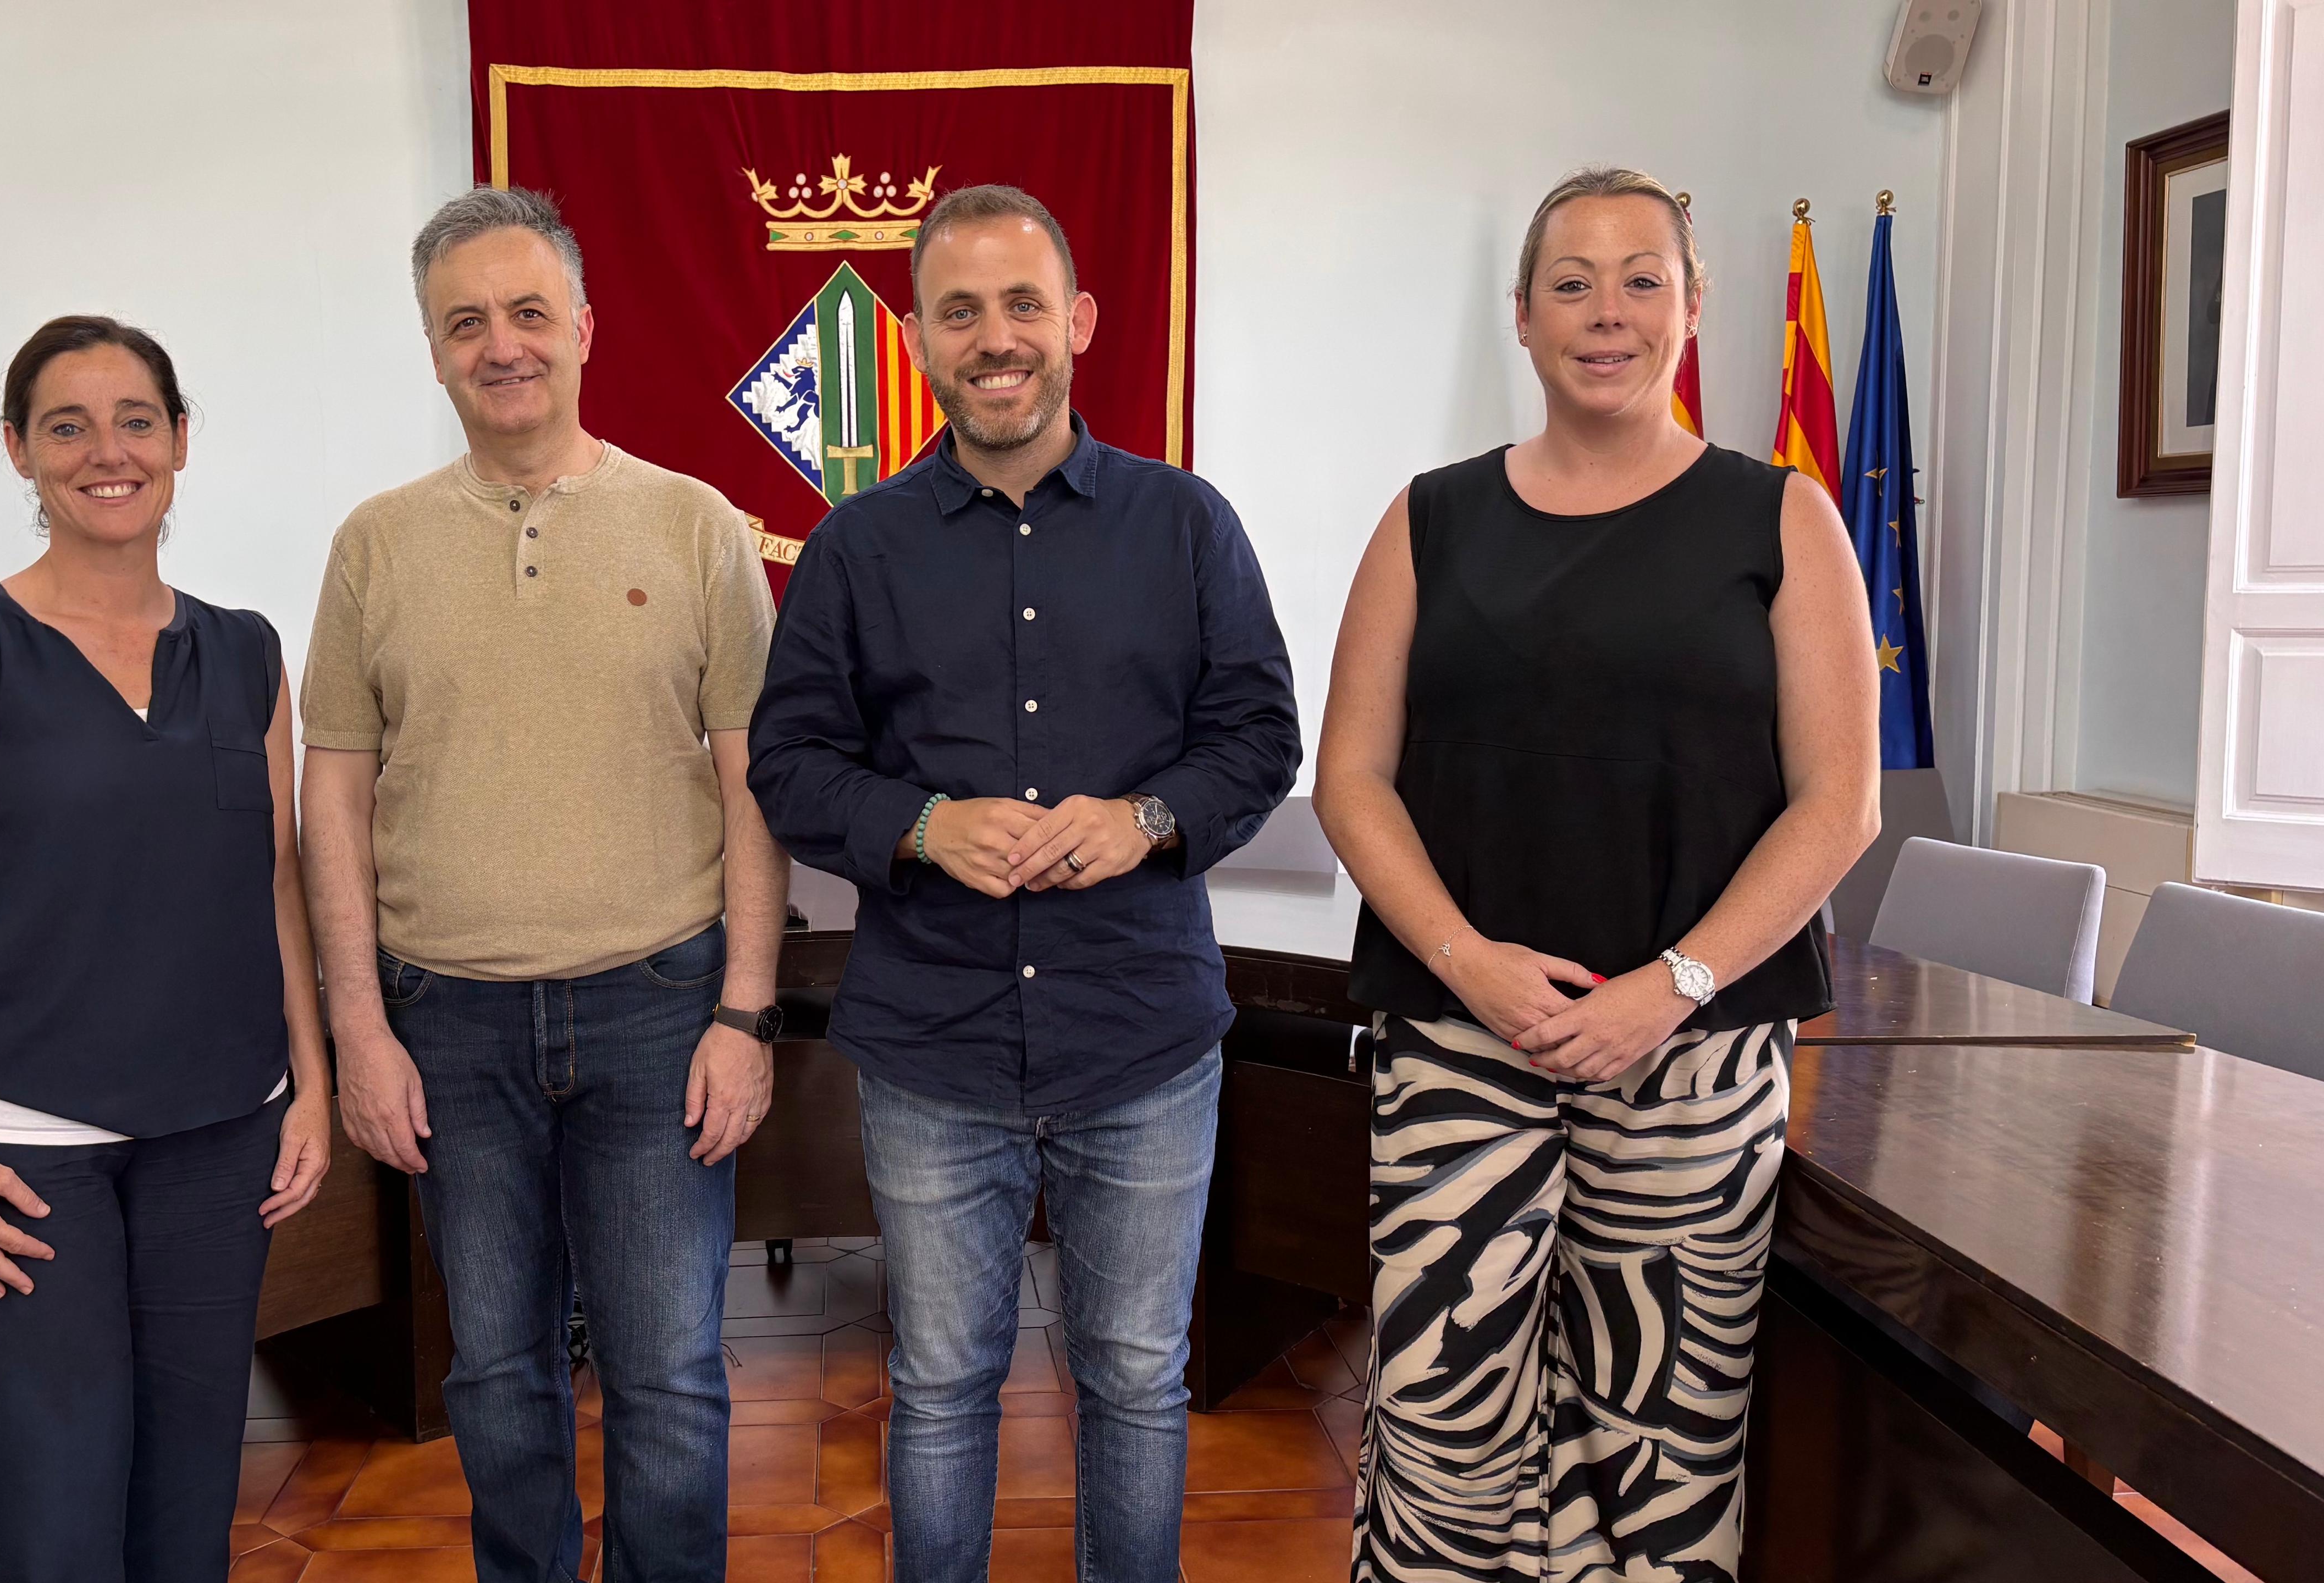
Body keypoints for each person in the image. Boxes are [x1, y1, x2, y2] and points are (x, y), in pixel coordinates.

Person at [1313, 165, 1880, 1581]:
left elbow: (1838, 808)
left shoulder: (1782, 517)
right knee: (1444, 1425)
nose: (1606, 312)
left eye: (1642, 279)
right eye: (1571, 282)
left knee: (1664, 1432)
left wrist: (1672, 987)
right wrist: (1464, 960)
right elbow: (1350, 781)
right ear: (1522, 318)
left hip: (1689, 1049)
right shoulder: (1428, 521)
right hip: (1459, 1039)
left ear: (1694, 307)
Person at [747, 184, 1301, 1583]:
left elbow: (1259, 740)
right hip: (930, 1044)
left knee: (1133, 1376)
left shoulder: (1187, 525)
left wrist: (1148, 818)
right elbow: (791, 765)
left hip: (1143, 1042)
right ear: (919, 341)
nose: (994, 338)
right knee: (938, 1386)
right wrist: (923, 825)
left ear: (1078, 324)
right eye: (958, 311)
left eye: (1022, 304)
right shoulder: (855, 547)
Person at [299, 186, 783, 1583]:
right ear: (434, 352)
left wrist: (745, 1018)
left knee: (671, 1378)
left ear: (582, 327)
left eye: (526, 313)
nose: (500, 346)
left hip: (657, 1010)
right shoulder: (373, 546)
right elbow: (332, 791)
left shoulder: (697, 527)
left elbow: (755, 782)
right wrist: (361, 1030)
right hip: (443, 1023)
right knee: (496, 1380)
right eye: (466, 324)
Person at [0, 315, 333, 1583]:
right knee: (48, 1539)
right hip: (17, 1163)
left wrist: (311, 1090)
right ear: (19, 452)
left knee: (183, 1535)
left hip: (219, 1147)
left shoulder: (245, 653)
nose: (104, 452)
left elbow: (273, 883)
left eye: (136, 421)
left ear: (180, 443)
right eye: (66, 426)